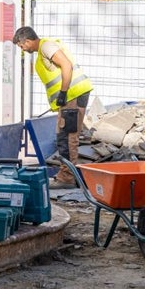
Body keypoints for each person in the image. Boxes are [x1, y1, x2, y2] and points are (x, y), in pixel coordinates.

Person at [12, 26, 94, 186]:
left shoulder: (46, 47)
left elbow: (66, 65)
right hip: (71, 97)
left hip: (72, 96)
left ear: (27, 41)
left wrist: (63, 93)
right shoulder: (43, 51)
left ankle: (67, 178)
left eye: (22, 46)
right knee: (65, 137)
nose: (22, 49)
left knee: (68, 137)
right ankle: (67, 176)